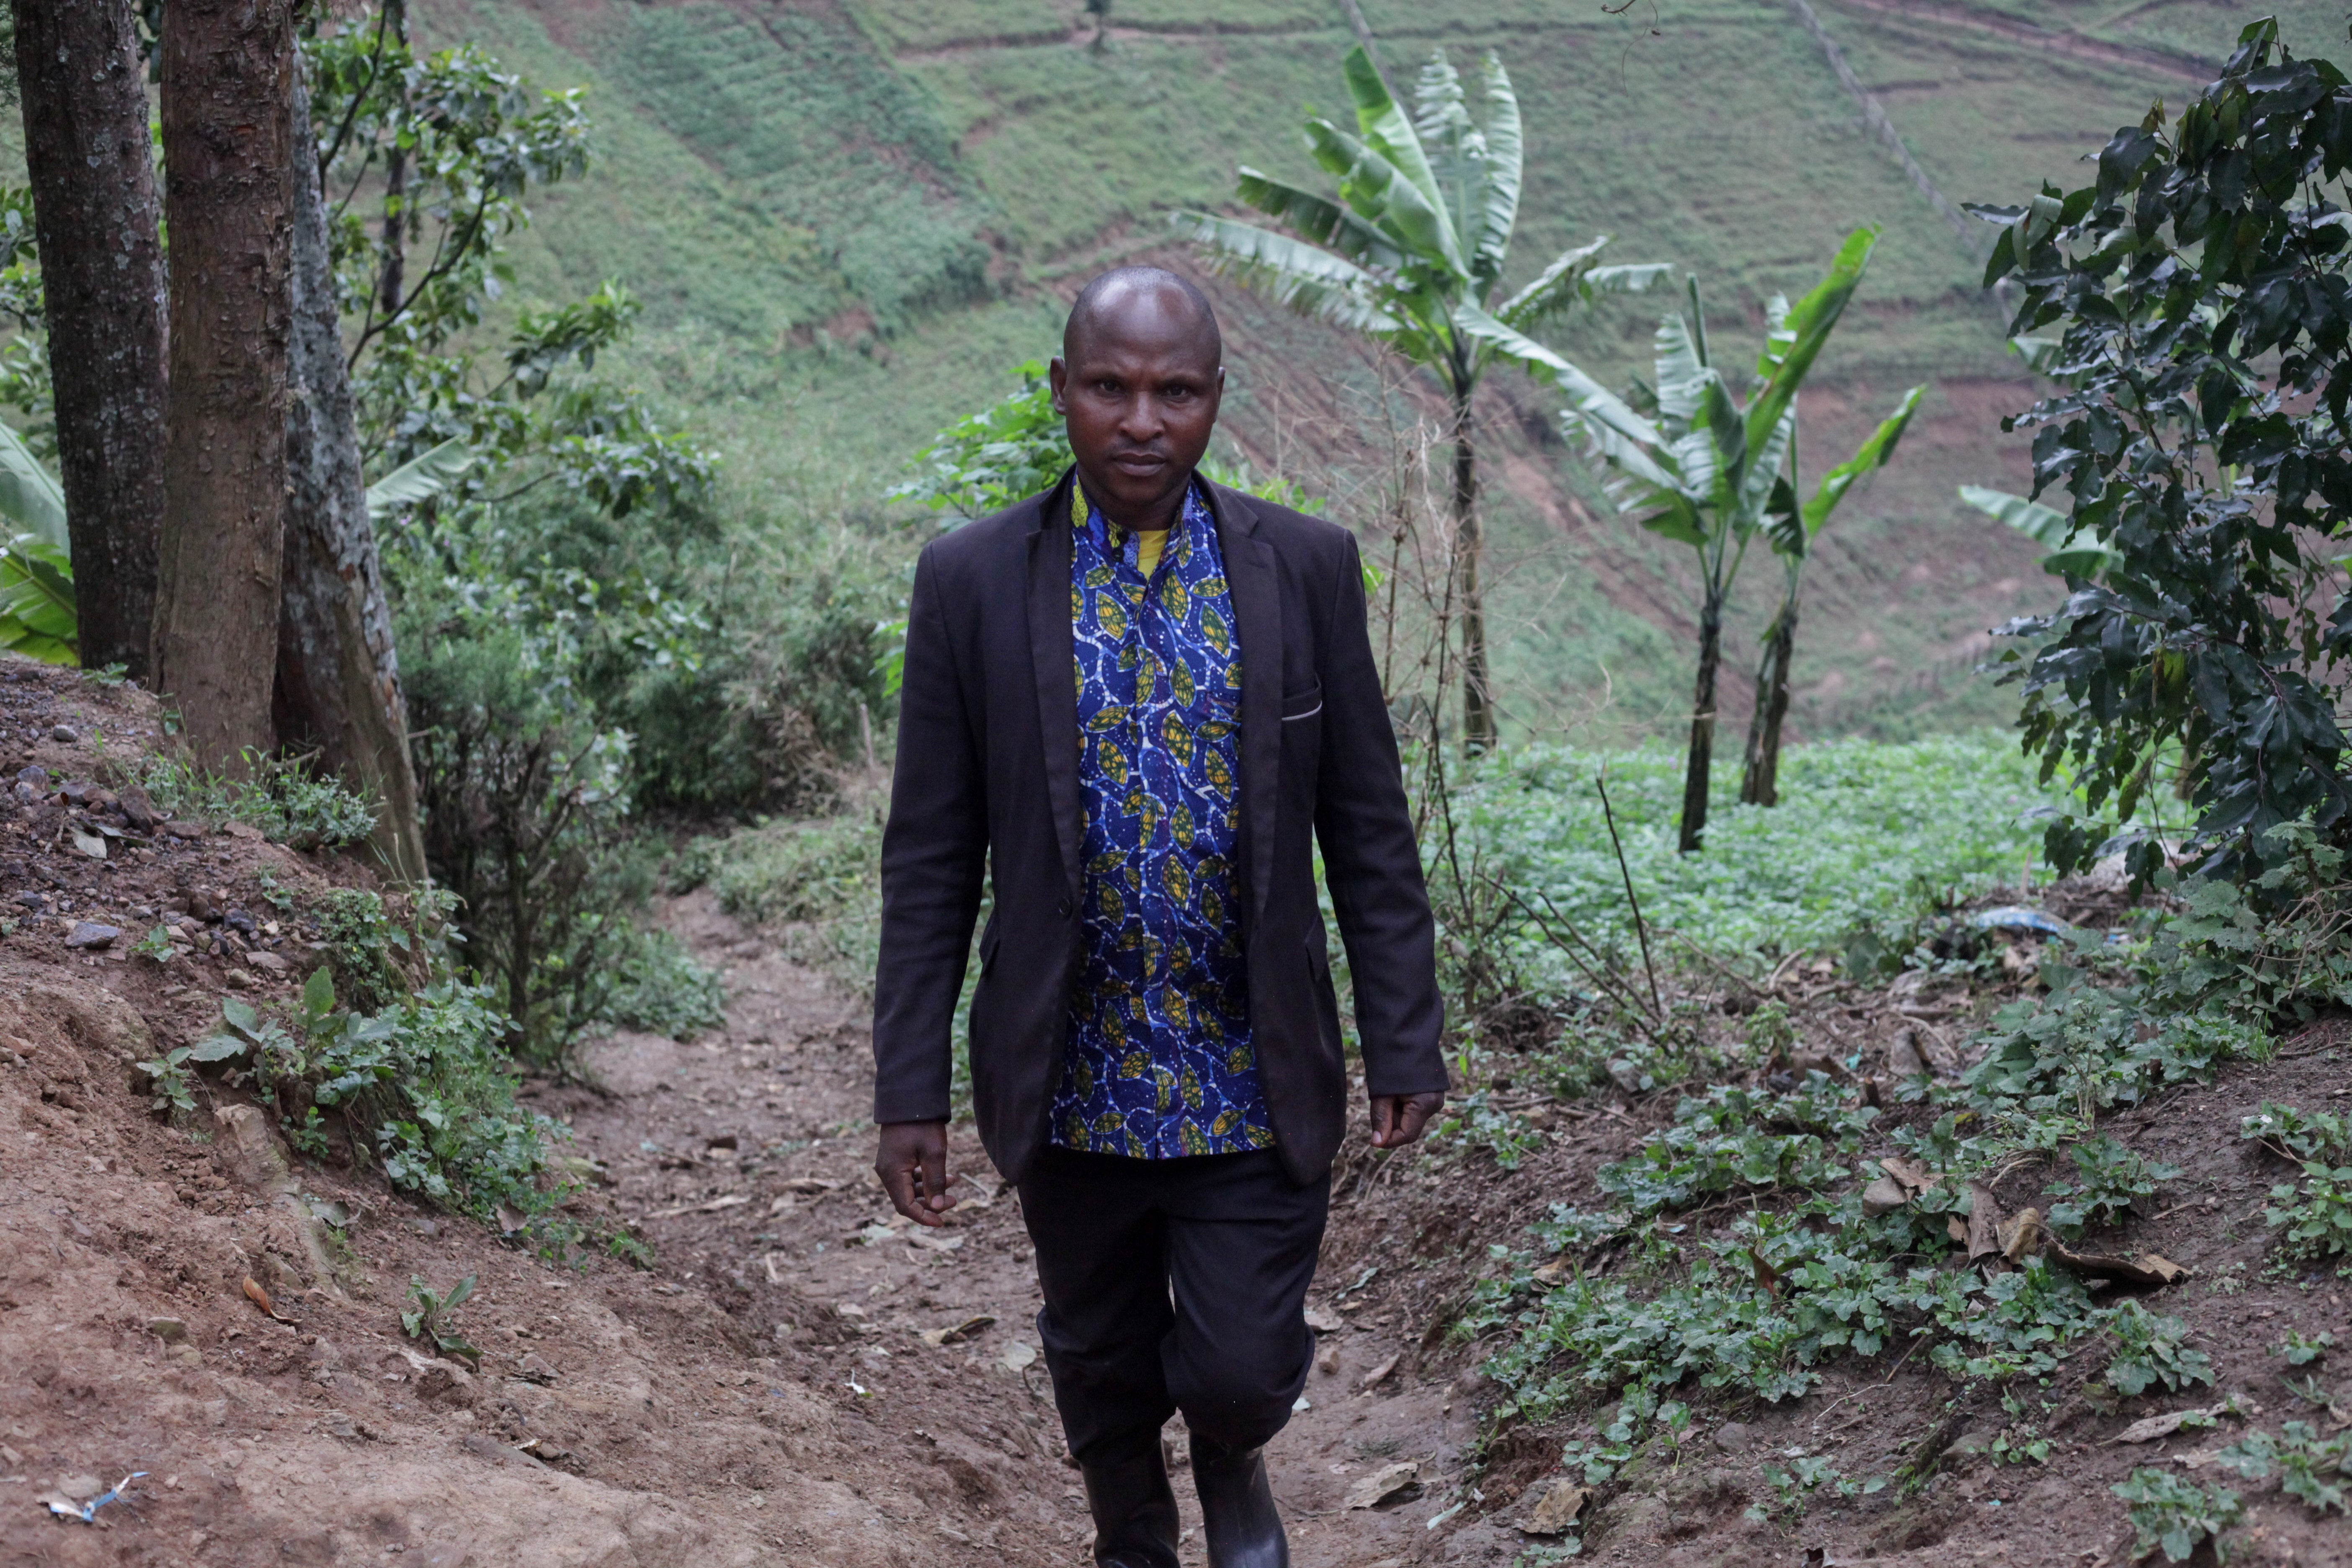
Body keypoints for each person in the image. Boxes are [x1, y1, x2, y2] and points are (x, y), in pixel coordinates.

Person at [871, 265, 1446, 1568]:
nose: (1142, 420)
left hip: (1248, 1057)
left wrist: (1404, 1034)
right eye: (1112, 388)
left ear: (1216, 403)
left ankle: (1233, 1454)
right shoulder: (971, 580)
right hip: (1068, 1062)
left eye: (1174, 392)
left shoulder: (1303, 568)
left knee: (1240, 1363)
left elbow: (1366, 826)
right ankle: (1131, 1532)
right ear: (1063, 392)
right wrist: (908, 1086)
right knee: (1097, 1343)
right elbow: (929, 856)